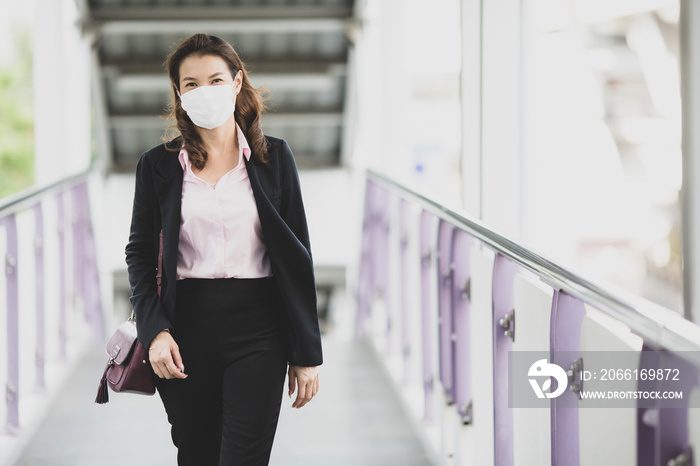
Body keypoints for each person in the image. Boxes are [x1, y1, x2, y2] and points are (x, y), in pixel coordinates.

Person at [124, 33, 322, 466]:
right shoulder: (156, 166)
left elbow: (296, 257)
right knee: (197, 456)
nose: (204, 91)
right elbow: (139, 255)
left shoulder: (275, 159)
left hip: (260, 327)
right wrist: (154, 332)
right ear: (179, 93)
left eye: (215, 79)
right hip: (184, 330)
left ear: (236, 83)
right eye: (191, 83)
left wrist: (305, 354)